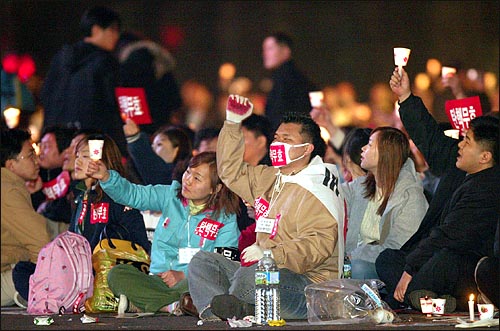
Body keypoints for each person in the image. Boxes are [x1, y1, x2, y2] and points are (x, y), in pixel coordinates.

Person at [187, 95, 344, 321]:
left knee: (251, 276)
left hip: (306, 284)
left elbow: (316, 245)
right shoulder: (273, 177)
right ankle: (223, 310)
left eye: (286, 139)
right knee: (203, 262)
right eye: (277, 137)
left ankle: (236, 305)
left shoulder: (317, 189)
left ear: (307, 148)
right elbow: (231, 172)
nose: (277, 143)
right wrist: (232, 123)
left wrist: (270, 255)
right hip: (263, 269)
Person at [375, 68, 500, 312]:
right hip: (434, 255)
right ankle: (431, 302)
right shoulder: (460, 162)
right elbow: (431, 139)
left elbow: (448, 235)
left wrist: (410, 270)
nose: (459, 144)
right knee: (388, 259)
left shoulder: (488, 188)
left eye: (467, 141)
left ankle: (429, 300)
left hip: (464, 265)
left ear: (485, 156)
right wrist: (406, 97)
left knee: (440, 262)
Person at [85, 151, 240, 315]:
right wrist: (106, 177)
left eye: (197, 178)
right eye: (188, 172)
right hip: (157, 280)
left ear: (215, 189)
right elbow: (134, 195)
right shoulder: (170, 196)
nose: (187, 180)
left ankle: (153, 304)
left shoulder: (225, 218)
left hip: (192, 282)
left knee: (199, 286)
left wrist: (184, 274)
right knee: (117, 274)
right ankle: (172, 306)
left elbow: (223, 264)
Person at [341, 127, 428, 280]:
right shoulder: (361, 186)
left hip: (391, 269)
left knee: (356, 269)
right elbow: (334, 195)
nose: (363, 148)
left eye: (369, 144)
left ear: (386, 153)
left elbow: (398, 247)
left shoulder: (410, 196)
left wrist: (353, 256)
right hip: (353, 260)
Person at [40, 6, 128, 157]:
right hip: (94, 143)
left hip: (57, 142)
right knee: (92, 176)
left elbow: (45, 95)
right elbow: (116, 104)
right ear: (95, 30)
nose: (116, 36)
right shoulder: (106, 62)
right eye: (112, 30)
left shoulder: (61, 58)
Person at [69, 133, 150, 253]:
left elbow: (139, 240)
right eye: (77, 156)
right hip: (82, 268)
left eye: (85, 156)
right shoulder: (80, 195)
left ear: (105, 160)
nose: (78, 162)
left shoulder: (117, 195)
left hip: (113, 267)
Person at [1, 128, 51, 306]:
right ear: (11, 164)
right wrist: (45, 279)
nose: (37, 161)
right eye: (30, 155)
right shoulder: (7, 189)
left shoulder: (9, 185)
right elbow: (40, 240)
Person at [117, 32, 183, 136]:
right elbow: (176, 100)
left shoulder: (129, 66)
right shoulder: (160, 61)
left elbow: (130, 104)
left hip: (140, 127)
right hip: (162, 128)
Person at [262, 32, 317, 131]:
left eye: (270, 49)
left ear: (285, 51)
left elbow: (277, 115)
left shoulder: (286, 80)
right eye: (264, 49)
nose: (265, 54)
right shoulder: (292, 76)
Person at [31, 126, 75, 239]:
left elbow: (68, 211)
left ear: (65, 150)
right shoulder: (36, 174)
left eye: (46, 147)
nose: (41, 152)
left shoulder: (75, 174)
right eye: (41, 145)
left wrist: (47, 206)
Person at [123, 118, 192, 185]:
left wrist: (135, 140)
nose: (152, 149)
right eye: (152, 145)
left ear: (177, 150)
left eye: (159, 144)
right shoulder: (138, 172)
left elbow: (159, 174)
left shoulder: (181, 179)